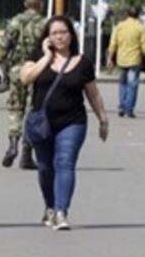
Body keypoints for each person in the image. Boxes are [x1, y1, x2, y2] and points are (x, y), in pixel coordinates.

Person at [19, 16, 110, 230]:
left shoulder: (82, 62)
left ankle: (61, 211)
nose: (59, 37)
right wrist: (46, 56)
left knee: (65, 163)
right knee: (45, 168)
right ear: (47, 37)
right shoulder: (37, 56)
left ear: (71, 35)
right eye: (54, 33)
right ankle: (50, 206)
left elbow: (93, 94)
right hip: (42, 123)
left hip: (73, 122)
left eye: (63, 32)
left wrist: (103, 119)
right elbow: (26, 78)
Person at [0, 0, 46, 169]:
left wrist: (3, 69)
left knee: (15, 108)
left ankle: (12, 145)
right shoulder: (45, 24)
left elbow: (3, 47)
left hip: (17, 70)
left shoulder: (15, 21)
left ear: (26, 3)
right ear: (39, 4)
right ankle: (27, 152)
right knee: (34, 111)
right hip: (37, 70)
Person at [107, 5, 144, 119]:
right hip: (134, 60)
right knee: (132, 85)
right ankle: (129, 109)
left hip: (121, 60)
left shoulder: (119, 26)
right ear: (137, 15)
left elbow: (113, 43)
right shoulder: (140, 27)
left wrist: (109, 58)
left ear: (127, 14)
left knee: (122, 83)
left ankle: (122, 106)